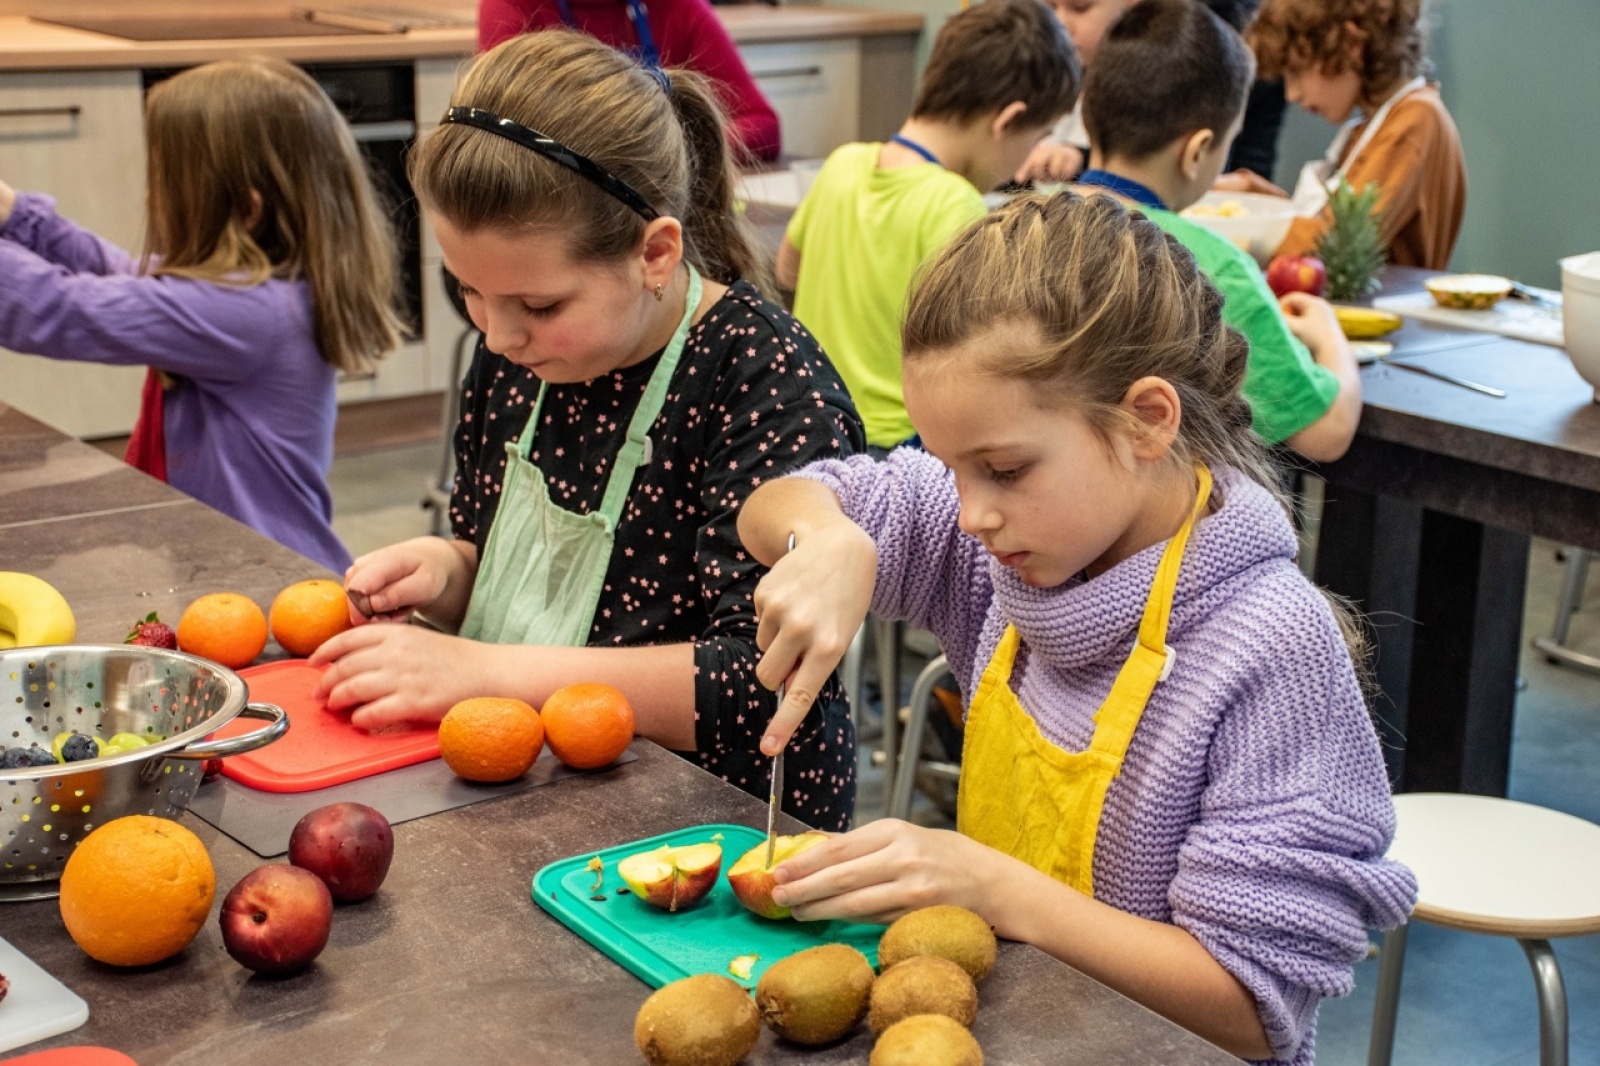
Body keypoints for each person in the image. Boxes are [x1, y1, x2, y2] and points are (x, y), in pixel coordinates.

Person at [737, 191, 1415, 1064]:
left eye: (1005, 469)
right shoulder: (1002, 539)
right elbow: (774, 506)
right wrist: (829, 538)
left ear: (1145, 420)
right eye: (949, 467)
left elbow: (1251, 1007)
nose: (971, 511)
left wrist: (994, 889)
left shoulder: (1269, 649)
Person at [311, 31, 865, 831]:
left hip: (717, 823)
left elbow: (758, 683)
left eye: (539, 307)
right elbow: (516, 576)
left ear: (655, 253)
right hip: (538, 781)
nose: (498, 337)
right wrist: (446, 569)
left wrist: (480, 671)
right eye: (468, 291)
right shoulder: (518, 353)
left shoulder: (763, 380)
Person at [0, 58, 402, 572]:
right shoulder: (258, 293)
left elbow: (61, 308)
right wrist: (17, 213)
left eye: (165, 180)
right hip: (232, 564)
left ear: (244, 209)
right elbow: (119, 274)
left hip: (263, 581)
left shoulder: (244, 314)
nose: (150, 194)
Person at [779, 0, 1079, 451]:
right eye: (1037, 137)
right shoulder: (954, 204)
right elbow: (982, 352)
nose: (1023, 167)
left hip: (809, 422)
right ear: (1009, 119)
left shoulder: (843, 163)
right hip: (898, 443)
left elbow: (787, 271)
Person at [1075, 0, 1360, 460]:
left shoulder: (1023, 221)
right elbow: (1328, 433)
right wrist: (1329, 337)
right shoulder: (1211, 266)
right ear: (1198, 151)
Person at [1247, 0, 1465, 269]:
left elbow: (1336, 244)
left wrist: (1244, 231)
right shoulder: (1369, 126)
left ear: (1351, 45)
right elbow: (1323, 220)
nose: (1292, 94)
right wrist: (1254, 194)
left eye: (1296, 71)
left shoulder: (1416, 121)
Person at [477, 0, 781, 161]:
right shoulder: (514, 6)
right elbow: (502, 138)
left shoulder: (679, 7)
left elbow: (763, 125)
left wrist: (670, 154)